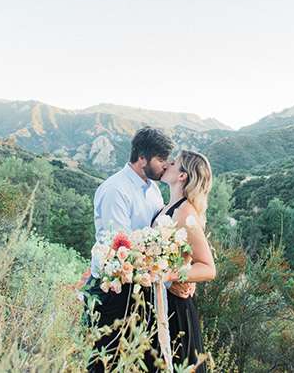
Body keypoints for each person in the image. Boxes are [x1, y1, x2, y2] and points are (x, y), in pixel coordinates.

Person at [84, 126, 188, 372]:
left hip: (141, 289)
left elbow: (159, 235)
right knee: (106, 359)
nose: (165, 165)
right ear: (142, 157)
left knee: (135, 360)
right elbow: (120, 249)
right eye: (161, 159)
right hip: (114, 289)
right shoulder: (115, 190)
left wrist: (178, 268)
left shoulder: (152, 188)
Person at [152, 150, 216, 373]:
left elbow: (207, 267)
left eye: (174, 163)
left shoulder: (185, 211)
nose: (167, 164)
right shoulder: (164, 209)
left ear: (182, 176)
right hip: (159, 300)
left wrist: (171, 275)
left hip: (176, 306)